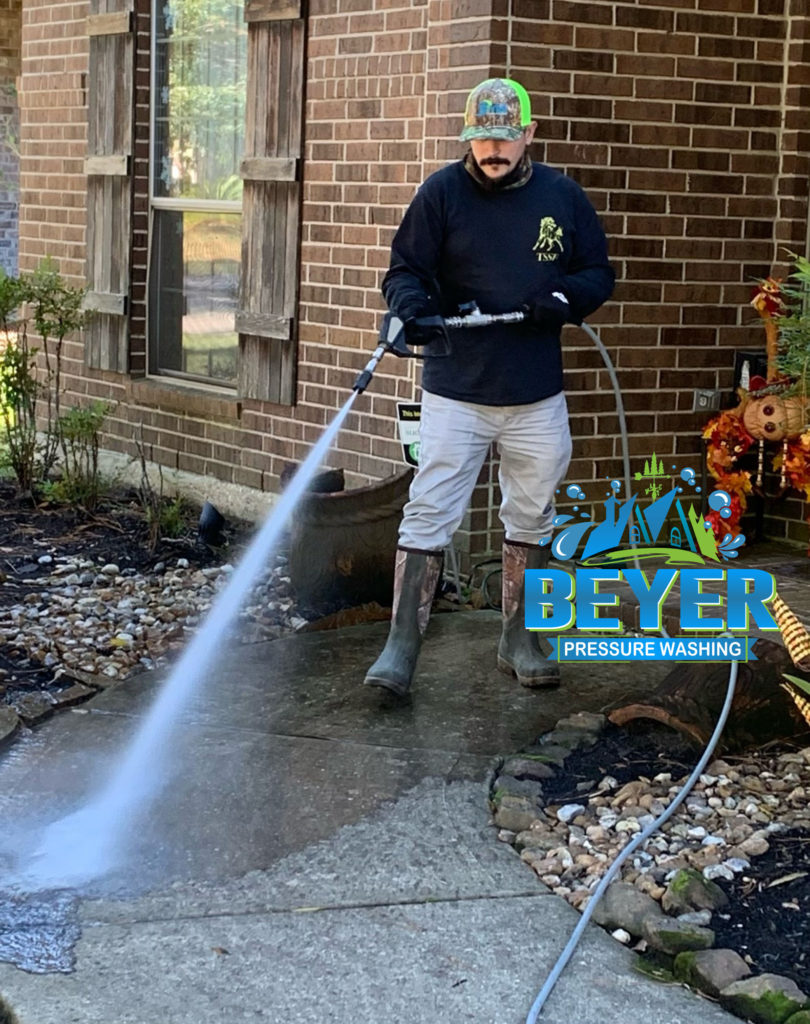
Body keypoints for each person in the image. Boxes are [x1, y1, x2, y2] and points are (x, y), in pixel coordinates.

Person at [364, 77, 615, 698]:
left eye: (505, 136)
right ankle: (402, 646)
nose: (493, 148)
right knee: (429, 512)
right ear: (468, 138)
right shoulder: (440, 194)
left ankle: (519, 637)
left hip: (535, 391)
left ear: (528, 134)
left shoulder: (562, 196)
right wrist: (412, 307)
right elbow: (404, 271)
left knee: (533, 512)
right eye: (482, 137)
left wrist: (563, 298)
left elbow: (597, 272)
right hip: (457, 391)